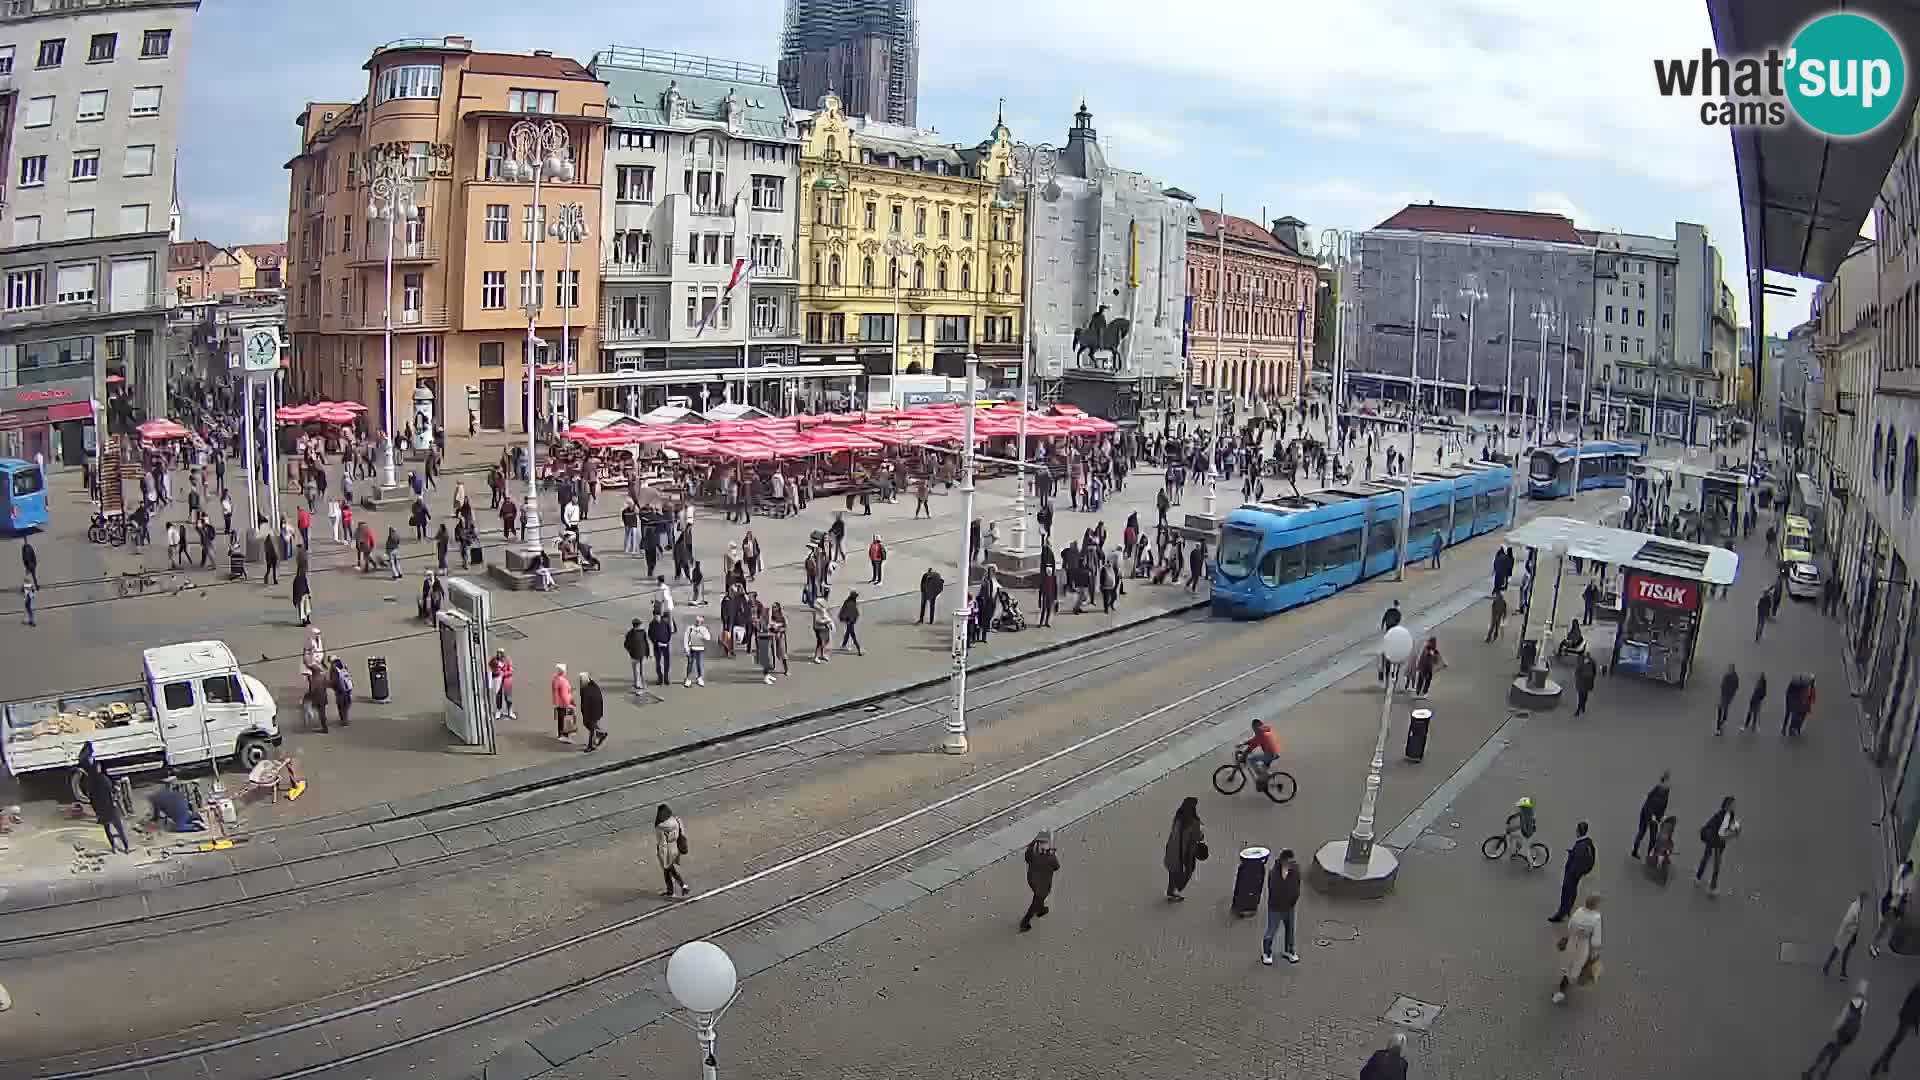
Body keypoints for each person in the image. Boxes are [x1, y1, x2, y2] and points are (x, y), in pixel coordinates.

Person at [1803, 980, 1870, 1078]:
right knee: (1838, 1051)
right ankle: (1826, 1071)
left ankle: (1811, 1072)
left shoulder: (1851, 1002)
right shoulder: (1865, 1005)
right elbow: (1861, 1022)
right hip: (1851, 1034)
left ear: (1857, 990)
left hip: (1842, 1031)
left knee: (1827, 1049)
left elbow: (1842, 1017)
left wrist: (1834, 1028)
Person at [1552, 894, 1604, 1004]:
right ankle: (1568, 983)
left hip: (1573, 941)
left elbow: (1570, 926)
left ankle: (1563, 986)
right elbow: (1596, 940)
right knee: (1577, 965)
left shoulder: (1579, 911)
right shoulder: (1596, 918)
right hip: (1583, 944)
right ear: (1596, 906)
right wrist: (1594, 954)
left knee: (1568, 962)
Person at [1868, 977, 1920, 1076]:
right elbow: (1916, 1009)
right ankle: (1878, 1063)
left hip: (1905, 1016)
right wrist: (1916, 1024)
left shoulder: (1917, 987)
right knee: (1895, 1043)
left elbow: (1909, 1001)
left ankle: (1885, 1062)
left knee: (1895, 1043)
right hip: (1908, 1019)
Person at [1549, 821, 1596, 922]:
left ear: (1578, 831)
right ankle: (1568, 908)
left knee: (1566, 892)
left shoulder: (1580, 846)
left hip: (1572, 873)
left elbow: (1577, 862)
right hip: (1577, 874)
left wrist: (1571, 873)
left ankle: (1561, 913)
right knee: (1573, 890)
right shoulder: (1587, 843)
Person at [1261, 848, 1301, 965]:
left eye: (1292, 862)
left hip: (1290, 906)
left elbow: (1297, 885)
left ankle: (1289, 951)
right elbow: (1274, 890)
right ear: (1283, 861)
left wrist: (1293, 900)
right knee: (1271, 931)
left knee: (1290, 930)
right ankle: (1267, 952)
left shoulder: (1295, 870)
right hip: (1276, 908)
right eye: (1289, 862)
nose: (1291, 864)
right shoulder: (1274, 873)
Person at [83, 753, 129, 853]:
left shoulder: (90, 782)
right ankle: (126, 847)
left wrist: (96, 811)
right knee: (119, 828)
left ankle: (113, 846)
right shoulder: (104, 779)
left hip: (101, 811)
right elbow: (112, 791)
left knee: (107, 829)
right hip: (110, 808)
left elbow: (91, 798)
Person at [1696, 796, 1741, 895]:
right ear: (1727, 806)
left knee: (1715, 864)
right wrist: (1733, 834)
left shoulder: (1731, 815)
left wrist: (1734, 827)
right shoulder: (1719, 816)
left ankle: (1711, 886)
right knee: (1708, 860)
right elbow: (1716, 830)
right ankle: (1699, 877)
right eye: (1733, 805)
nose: (1734, 806)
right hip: (1713, 841)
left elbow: (1729, 825)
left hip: (1719, 843)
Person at [1163, 796, 1204, 901]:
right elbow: (1195, 838)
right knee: (1188, 870)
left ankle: (1171, 890)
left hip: (1172, 850)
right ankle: (1177, 887)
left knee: (1173, 871)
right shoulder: (1194, 822)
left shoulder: (1178, 818)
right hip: (1186, 853)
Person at [1872, 859, 1915, 958]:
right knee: (1886, 928)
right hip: (1892, 908)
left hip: (1889, 906)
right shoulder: (1906, 876)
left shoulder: (1900, 874)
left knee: (1884, 928)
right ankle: (1875, 945)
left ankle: (1876, 944)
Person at [1018, 829, 1059, 933]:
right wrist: (1052, 853)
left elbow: (1027, 859)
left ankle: (1041, 909)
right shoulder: (1049, 857)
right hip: (1043, 883)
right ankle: (1025, 921)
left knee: (1039, 897)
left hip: (1032, 879)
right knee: (1038, 900)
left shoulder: (1032, 850)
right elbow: (1056, 867)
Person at [1826, 891, 1868, 979]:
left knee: (1845, 952)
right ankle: (1828, 966)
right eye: (1864, 898)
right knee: (1837, 950)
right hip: (1846, 933)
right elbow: (1848, 922)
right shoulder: (1855, 907)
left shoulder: (1859, 906)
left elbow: (1857, 921)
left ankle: (1842, 971)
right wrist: (1851, 930)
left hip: (1851, 934)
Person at [1629, 771, 1671, 860]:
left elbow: (1663, 807)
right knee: (1645, 834)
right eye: (1666, 782)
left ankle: (1646, 855)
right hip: (1648, 813)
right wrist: (1653, 816)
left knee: (1650, 836)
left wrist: (1661, 817)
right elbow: (1650, 804)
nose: (1667, 784)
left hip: (1651, 814)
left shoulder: (1665, 791)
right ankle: (1638, 852)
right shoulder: (1659, 790)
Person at [655, 804, 690, 898]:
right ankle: (677, 888)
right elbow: (682, 832)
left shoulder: (660, 827)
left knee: (668, 871)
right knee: (670, 871)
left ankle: (679, 887)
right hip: (675, 848)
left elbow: (662, 843)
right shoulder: (676, 820)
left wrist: (662, 856)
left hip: (667, 851)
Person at [1241, 718, 1281, 787]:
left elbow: (1250, 748)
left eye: (1254, 728)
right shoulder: (1264, 730)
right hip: (1275, 752)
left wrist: (1244, 756)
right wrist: (1245, 743)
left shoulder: (1261, 735)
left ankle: (1261, 779)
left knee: (1251, 759)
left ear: (1256, 727)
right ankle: (1269, 781)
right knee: (1263, 768)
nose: (1253, 730)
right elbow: (1254, 739)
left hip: (1270, 754)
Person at [579, 672, 606, 752]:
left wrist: (588, 714)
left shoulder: (591, 690)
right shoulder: (586, 686)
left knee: (591, 728)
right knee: (589, 725)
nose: (580, 681)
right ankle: (600, 733)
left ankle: (591, 746)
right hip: (589, 711)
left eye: (582, 680)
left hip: (593, 712)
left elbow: (591, 702)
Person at [551, 663, 577, 743]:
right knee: (567, 719)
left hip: (558, 702)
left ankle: (560, 734)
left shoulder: (555, 679)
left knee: (560, 719)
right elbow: (564, 695)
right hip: (564, 703)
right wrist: (569, 704)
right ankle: (564, 735)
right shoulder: (563, 681)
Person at [683, 614, 711, 687]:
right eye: (697, 621)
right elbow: (686, 638)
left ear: (702, 622)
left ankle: (699, 678)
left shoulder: (704, 629)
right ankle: (688, 679)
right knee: (690, 664)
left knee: (699, 664)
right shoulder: (690, 628)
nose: (698, 622)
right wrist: (686, 649)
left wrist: (701, 632)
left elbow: (708, 638)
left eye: (700, 621)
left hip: (700, 649)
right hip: (692, 649)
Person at [488, 648, 515, 720]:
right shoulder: (494, 660)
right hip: (497, 680)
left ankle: (510, 711)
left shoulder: (508, 660)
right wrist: (495, 671)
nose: (499, 654)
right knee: (498, 696)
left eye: (501, 653)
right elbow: (490, 666)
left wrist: (503, 673)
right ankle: (498, 711)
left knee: (508, 697)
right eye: (498, 653)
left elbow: (511, 671)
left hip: (507, 680)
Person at [623, 618, 647, 693]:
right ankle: (638, 683)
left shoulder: (640, 632)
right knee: (637, 670)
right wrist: (631, 651)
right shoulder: (632, 634)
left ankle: (639, 683)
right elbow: (626, 644)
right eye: (640, 624)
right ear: (637, 625)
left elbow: (645, 643)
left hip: (639, 654)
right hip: (635, 655)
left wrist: (647, 653)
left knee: (639, 670)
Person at [1717, 664, 1740, 735]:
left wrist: (1729, 692)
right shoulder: (1732, 676)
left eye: (1730, 669)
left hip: (1727, 696)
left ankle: (1719, 727)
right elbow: (1724, 684)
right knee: (1723, 707)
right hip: (1726, 695)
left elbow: (1735, 687)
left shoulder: (1733, 677)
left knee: (1721, 707)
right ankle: (1722, 719)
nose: (1729, 670)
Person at [838, 591, 864, 655]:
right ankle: (859, 649)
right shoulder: (850, 603)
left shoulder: (849, 601)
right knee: (853, 635)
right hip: (850, 621)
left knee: (848, 632)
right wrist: (852, 619)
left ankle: (843, 645)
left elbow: (844, 610)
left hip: (849, 621)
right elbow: (850, 612)